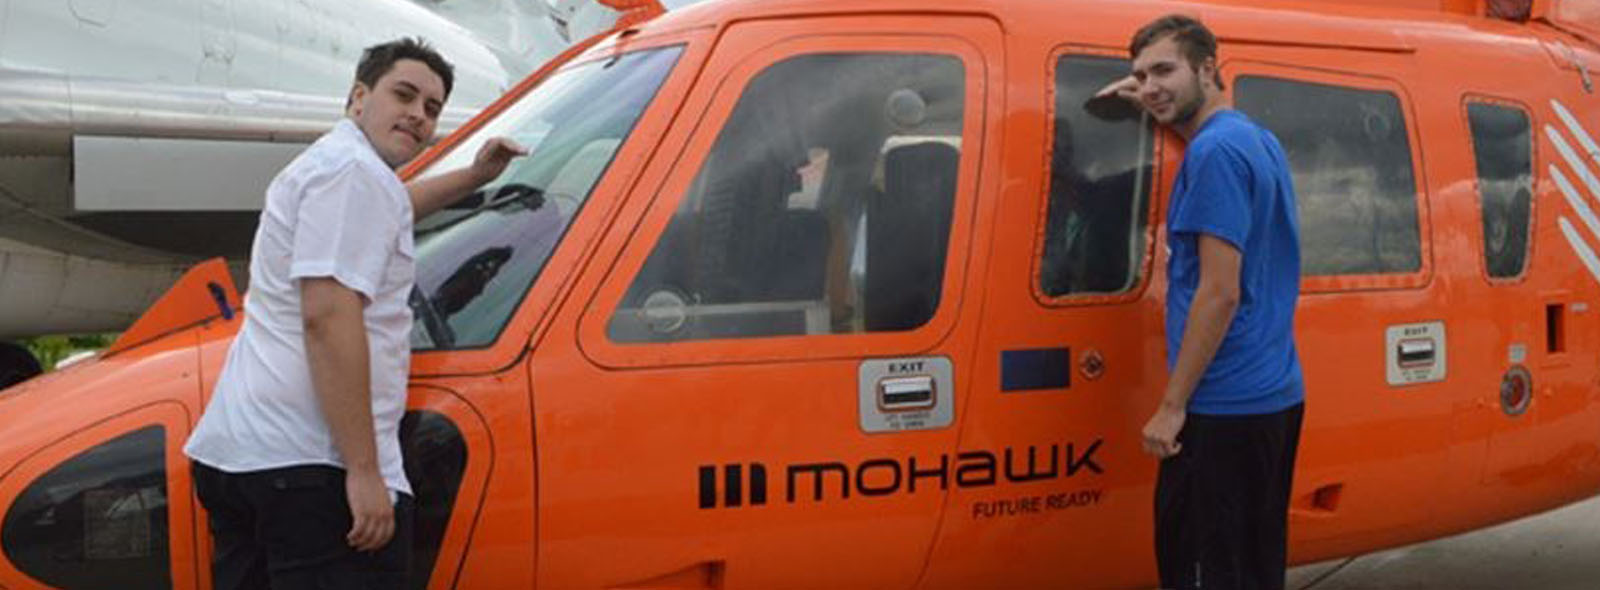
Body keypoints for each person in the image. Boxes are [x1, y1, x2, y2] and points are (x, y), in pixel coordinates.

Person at [184, 37, 523, 589]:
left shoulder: (337, 167)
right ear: (358, 97)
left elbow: (389, 208)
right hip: (311, 468)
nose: (417, 114)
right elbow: (328, 314)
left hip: (244, 459)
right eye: (404, 95)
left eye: (431, 108)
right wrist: (364, 472)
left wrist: (473, 176)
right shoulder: (352, 175)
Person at [1096, 14, 1306, 590]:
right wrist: (1150, 98)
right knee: (1251, 566)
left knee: (1201, 570)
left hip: (1223, 405)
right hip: (1271, 396)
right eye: (1140, 74)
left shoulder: (1213, 157)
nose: (1150, 84)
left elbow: (1220, 290)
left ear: (1208, 67)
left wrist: (1172, 405)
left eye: (1164, 69)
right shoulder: (1252, 139)